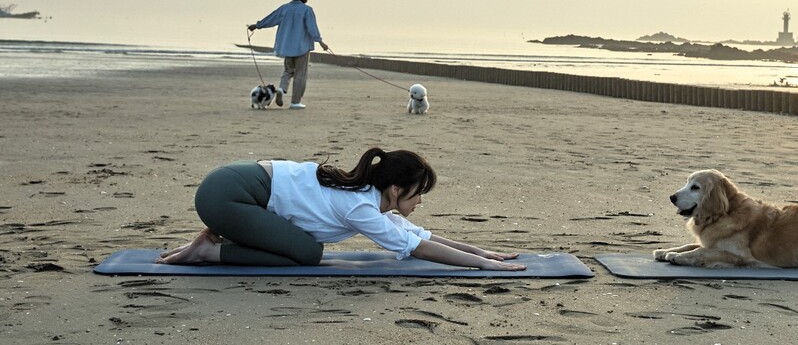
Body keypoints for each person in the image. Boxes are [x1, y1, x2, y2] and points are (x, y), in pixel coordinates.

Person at [157, 147, 526, 271]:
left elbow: (419, 235)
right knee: (307, 253)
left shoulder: (370, 197)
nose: (420, 202)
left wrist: (481, 253)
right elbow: (416, 248)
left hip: (234, 185)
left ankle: (213, 242)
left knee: (304, 248)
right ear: (396, 190)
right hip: (227, 195)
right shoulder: (361, 207)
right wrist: (481, 267)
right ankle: (209, 250)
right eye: (417, 194)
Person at [247, 0, 329, 109]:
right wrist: (321, 42)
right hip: (302, 47)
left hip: (287, 47)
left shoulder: (284, 8)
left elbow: (271, 18)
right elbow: (312, 28)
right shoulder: (307, 10)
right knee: (300, 74)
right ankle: (295, 102)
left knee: (288, 71)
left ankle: (281, 89)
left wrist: (257, 25)